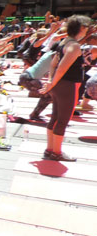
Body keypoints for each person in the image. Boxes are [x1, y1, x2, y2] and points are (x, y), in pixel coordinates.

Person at [41, 15, 92, 161]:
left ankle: (50, 149)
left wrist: (51, 81)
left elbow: (53, 64)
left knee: (55, 117)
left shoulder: (64, 42)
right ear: (81, 28)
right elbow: (62, 67)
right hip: (67, 85)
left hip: (59, 85)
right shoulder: (74, 46)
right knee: (62, 120)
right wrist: (52, 82)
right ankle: (56, 152)